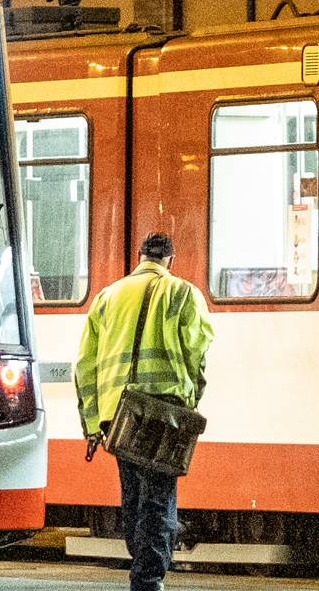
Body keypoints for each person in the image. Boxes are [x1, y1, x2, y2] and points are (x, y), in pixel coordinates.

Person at [75, 233, 214, 591]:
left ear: (138, 257)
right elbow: (197, 353)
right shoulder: (183, 293)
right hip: (164, 414)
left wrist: (92, 426)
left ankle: (144, 570)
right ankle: (148, 580)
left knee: (134, 499)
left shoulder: (106, 298)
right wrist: (193, 397)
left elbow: (84, 368)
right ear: (171, 260)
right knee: (157, 500)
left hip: (119, 417)